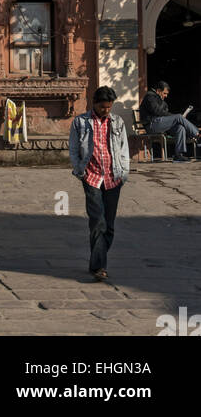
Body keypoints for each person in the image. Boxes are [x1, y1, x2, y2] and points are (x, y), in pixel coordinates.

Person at [69, 86, 130, 282]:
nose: (106, 110)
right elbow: (74, 148)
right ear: (94, 104)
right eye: (103, 107)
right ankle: (100, 266)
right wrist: (80, 169)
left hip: (114, 178)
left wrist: (124, 174)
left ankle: (96, 260)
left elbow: (123, 149)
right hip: (92, 177)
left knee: (109, 225)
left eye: (109, 107)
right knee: (98, 222)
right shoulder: (81, 122)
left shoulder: (117, 122)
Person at [139, 80, 199, 162]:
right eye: (164, 93)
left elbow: (165, 112)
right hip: (151, 125)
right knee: (178, 117)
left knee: (180, 127)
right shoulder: (150, 97)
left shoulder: (160, 100)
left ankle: (179, 154)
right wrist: (174, 116)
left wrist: (164, 104)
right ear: (158, 91)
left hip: (159, 124)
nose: (166, 96)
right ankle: (197, 134)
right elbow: (157, 111)